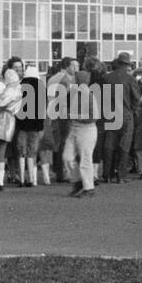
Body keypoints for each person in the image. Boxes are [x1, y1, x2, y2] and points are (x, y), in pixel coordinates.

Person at [100, 51, 142, 183]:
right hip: (125, 115)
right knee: (124, 145)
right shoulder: (130, 79)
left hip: (110, 114)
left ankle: (107, 174)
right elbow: (136, 100)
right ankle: (121, 175)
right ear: (127, 65)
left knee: (109, 145)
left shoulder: (107, 78)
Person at [62, 68, 102, 198]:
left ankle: (88, 187)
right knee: (67, 157)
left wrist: (74, 115)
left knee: (85, 159)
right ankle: (78, 181)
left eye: (75, 78)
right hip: (75, 128)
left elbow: (94, 116)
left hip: (87, 129)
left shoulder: (89, 96)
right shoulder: (74, 94)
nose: (72, 80)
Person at [13, 59, 44, 188]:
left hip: (22, 124)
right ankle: (32, 179)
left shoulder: (20, 85)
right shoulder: (41, 86)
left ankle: (21, 178)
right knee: (32, 152)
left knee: (21, 151)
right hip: (36, 125)